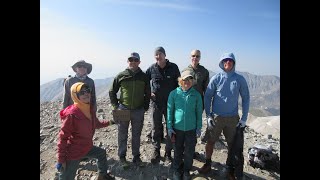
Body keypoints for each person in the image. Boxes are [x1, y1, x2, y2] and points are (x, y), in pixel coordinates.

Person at [199, 52, 250, 180]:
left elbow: (246, 98)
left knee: (232, 145)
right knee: (210, 141)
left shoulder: (239, 79)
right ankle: (208, 163)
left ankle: (229, 170)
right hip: (216, 117)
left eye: (230, 60)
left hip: (233, 119)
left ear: (233, 62)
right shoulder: (216, 78)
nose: (228, 62)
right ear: (222, 63)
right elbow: (208, 97)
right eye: (225, 60)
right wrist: (209, 115)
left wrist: (244, 118)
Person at [56, 82, 115, 180]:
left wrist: (111, 122)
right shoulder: (71, 115)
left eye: (88, 91)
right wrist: (61, 159)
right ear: (75, 95)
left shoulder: (89, 109)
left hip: (86, 146)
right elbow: (63, 138)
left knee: (101, 153)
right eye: (82, 92)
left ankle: (102, 176)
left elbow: (96, 124)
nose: (86, 94)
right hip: (73, 153)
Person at [108, 52, 151, 167]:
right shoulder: (121, 75)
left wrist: (145, 107)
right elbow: (112, 91)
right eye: (130, 59)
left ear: (139, 62)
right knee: (122, 134)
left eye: (135, 60)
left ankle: (136, 157)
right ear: (127, 61)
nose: (133, 62)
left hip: (138, 110)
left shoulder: (144, 76)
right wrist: (115, 107)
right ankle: (122, 157)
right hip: (122, 108)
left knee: (136, 135)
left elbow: (147, 93)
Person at [146, 46, 181, 163]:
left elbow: (179, 84)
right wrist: (149, 92)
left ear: (165, 55)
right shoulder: (152, 68)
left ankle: (168, 152)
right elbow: (144, 81)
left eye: (160, 54)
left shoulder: (174, 67)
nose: (158, 56)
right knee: (156, 128)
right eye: (156, 54)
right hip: (156, 103)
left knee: (170, 127)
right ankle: (156, 150)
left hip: (170, 104)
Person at [167, 70, 203, 180]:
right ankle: (177, 170)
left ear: (192, 81)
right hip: (177, 129)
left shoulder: (196, 95)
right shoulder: (173, 94)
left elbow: (199, 112)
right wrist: (169, 126)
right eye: (185, 79)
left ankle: (186, 170)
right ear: (180, 81)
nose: (187, 81)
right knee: (177, 150)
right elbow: (170, 111)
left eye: (190, 79)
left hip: (191, 129)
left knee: (189, 151)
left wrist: (199, 127)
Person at [181, 49, 209, 159]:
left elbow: (206, 89)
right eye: (193, 55)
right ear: (190, 56)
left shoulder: (204, 72)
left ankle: (191, 151)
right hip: (185, 104)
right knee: (185, 126)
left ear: (200, 58)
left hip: (198, 105)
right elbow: (180, 88)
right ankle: (183, 150)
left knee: (195, 127)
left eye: (197, 56)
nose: (195, 58)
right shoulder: (184, 71)